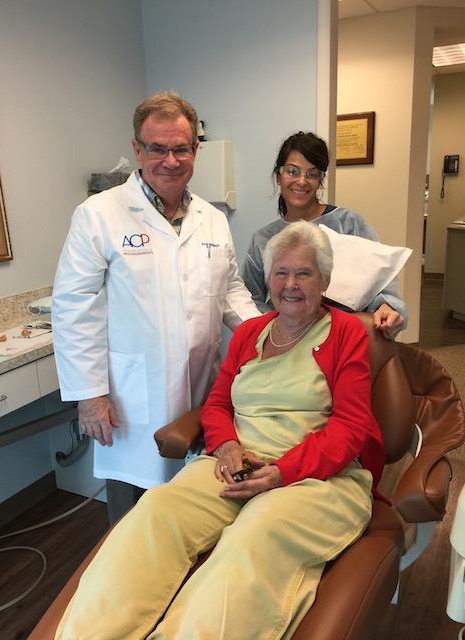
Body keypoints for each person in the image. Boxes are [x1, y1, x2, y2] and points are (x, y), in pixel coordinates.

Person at [55, 220, 385, 640]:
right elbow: (217, 404)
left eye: (304, 273)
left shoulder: (346, 333)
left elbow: (351, 426)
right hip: (232, 466)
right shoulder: (250, 332)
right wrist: (226, 445)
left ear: (325, 279)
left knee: (254, 535)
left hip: (316, 476)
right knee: (157, 512)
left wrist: (282, 472)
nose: (290, 283)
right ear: (267, 279)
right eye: (281, 272)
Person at [52, 90, 260, 524]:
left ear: (195, 149)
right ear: (137, 149)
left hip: (202, 384)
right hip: (134, 395)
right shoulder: (98, 215)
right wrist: (89, 395)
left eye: (180, 148)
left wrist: (272, 337)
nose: (170, 160)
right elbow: (74, 307)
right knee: (134, 506)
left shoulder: (212, 218)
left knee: (196, 495)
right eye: (157, 148)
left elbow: (231, 290)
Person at [241, 131, 407, 340]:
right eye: (292, 171)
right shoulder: (263, 239)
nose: (301, 181)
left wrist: (386, 307)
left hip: (345, 341)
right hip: (286, 344)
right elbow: (251, 300)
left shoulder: (349, 223)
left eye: (311, 174)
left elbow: (381, 282)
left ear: (320, 180)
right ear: (278, 175)